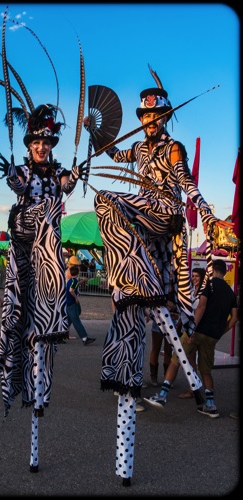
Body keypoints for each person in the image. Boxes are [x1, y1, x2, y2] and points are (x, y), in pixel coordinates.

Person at [84, 78, 233, 486]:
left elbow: (186, 183)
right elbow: (116, 152)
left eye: (154, 115)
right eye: (145, 116)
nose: (149, 121)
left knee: (109, 201)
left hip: (164, 212)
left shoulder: (171, 148)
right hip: (143, 220)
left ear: (165, 116)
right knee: (105, 202)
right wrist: (95, 134)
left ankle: (133, 278)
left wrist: (205, 212)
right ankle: (129, 279)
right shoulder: (142, 148)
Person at [0, 104, 84, 420]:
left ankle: (40, 386)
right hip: (25, 239)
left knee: (42, 325)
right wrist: (10, 176)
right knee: (21, 312)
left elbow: (66, 186)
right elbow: (18, 186)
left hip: (48, 248)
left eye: (46, 144)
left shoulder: (57, 173)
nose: (42, 148)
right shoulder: (24, 172)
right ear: (30, 145)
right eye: (37, 143)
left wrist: (74, 175)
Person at [144, 259, 238, 418]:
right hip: (212, 336)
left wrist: (192, 328)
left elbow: (201, 307)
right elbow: (234, 318)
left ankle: (162, 395)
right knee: (206, 371)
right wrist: (220, 332)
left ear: (213, 270)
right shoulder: (231, 293)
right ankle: (210, 405)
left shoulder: (209, 285)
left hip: (197, 332)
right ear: (224, 271)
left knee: (176, 359)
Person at [178, 266, 206, 399]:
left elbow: (199, 312)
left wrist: (191, 330)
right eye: (193, 276)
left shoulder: (203, 293)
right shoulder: (191, 291)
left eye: (197, 276)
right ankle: (194, 387)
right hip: (188, 328)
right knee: (190, 359)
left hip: (196, 330)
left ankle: (194, 389)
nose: (194, 278)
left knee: (188, 358)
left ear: (202, 277)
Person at [66, 265, 96, 345]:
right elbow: (71, 290)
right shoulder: (74, 281)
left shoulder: (71, 280)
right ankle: (84, 338)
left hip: (69, 303)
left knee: (71, 318)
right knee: (76, 320)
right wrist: (76, 298)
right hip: (72, 303)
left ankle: (64, 332)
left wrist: (82, 281)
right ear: (78, 273)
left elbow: (73, 286)